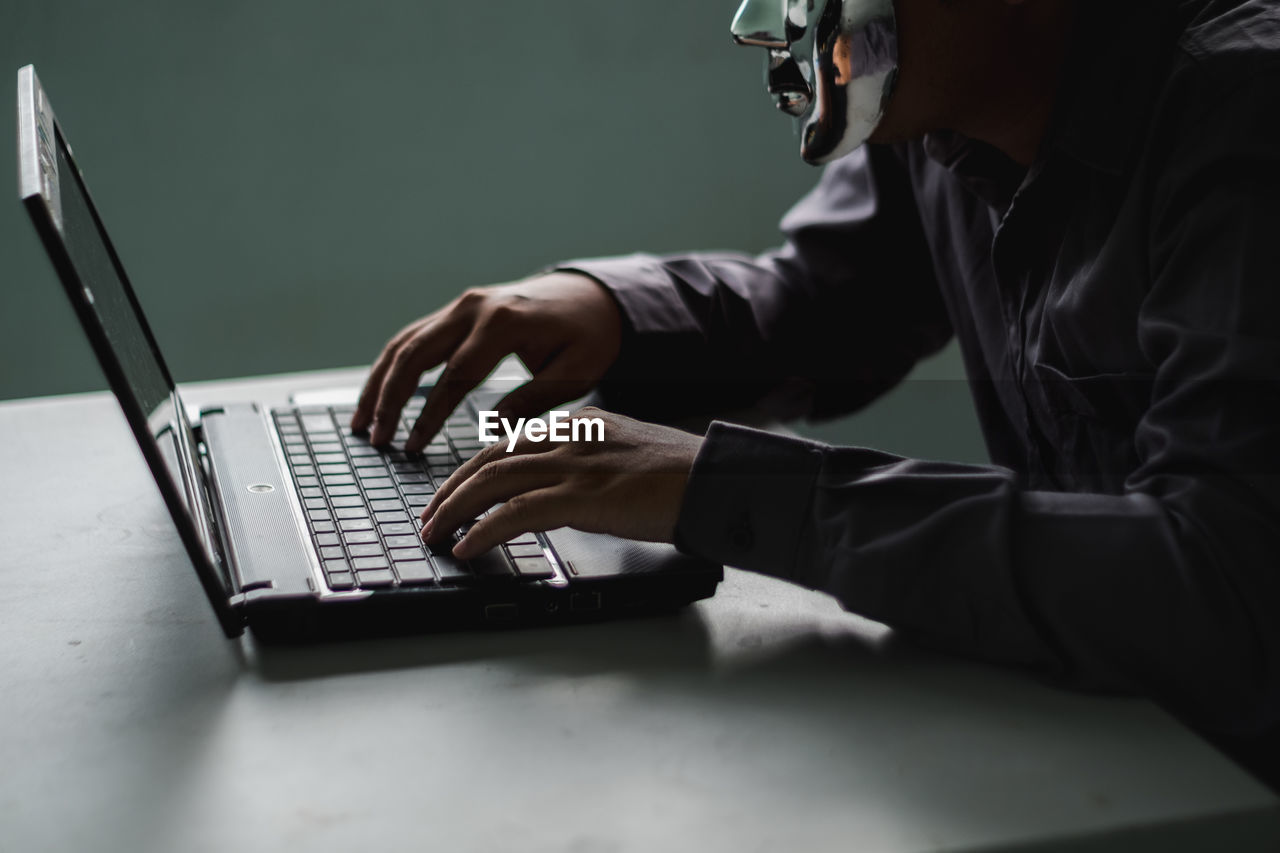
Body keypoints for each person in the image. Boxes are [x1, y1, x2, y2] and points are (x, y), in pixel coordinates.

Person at [353, 0, 1280, 785]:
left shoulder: (1246, 112)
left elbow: (1219, 587)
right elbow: (830, 304)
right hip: (1119, 749)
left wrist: (726, 488)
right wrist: (610, 311)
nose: (765, 22)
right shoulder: (952, 115)